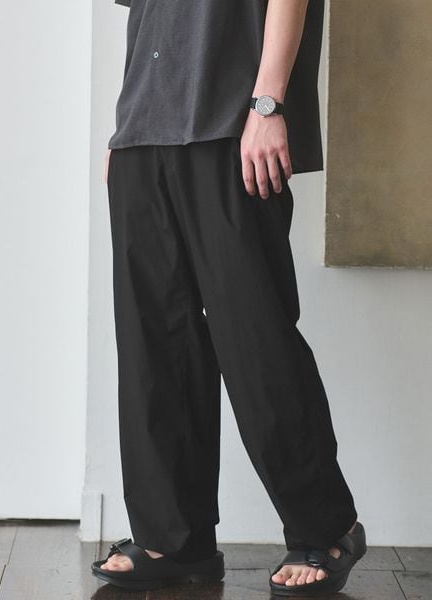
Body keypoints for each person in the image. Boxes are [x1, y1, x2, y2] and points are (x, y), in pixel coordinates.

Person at [91, 0, 367, 595]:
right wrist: (125, 122)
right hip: (142, 132)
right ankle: (173, 538)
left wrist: (268, 104)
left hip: (232, 121)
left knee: (256, 340)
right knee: (154, 348)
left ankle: (326, 526)